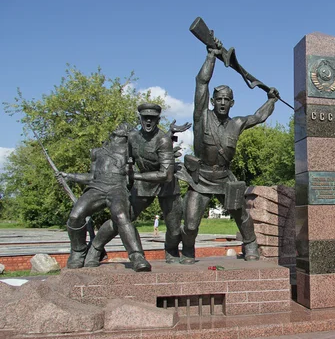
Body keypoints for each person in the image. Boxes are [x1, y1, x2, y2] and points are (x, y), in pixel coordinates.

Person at [176, 37, 279, 263]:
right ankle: (188, 250)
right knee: (191, 224)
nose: (222, 103)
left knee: (242, 216)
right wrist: (211, 56)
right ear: (212, 101)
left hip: (225, 178)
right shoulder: (201, 117)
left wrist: (271, 100)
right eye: (219, 99)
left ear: (232, 103)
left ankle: (251, 245)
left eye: (227, 100)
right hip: (200, 178)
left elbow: (259, 117)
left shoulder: (237, 123)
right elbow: (200, 83)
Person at [84, 104, 190, 266]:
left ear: (158, 120)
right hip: (142, 186)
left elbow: (166, 175)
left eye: (152, 118)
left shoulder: (163, 140)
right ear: (139, 119)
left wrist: (134, 175)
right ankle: (95, 248)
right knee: (121, 218)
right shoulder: (132, 137)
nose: (148, 121)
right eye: (145, 118)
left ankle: (171, 251)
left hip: (166, 186)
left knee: (174, 228)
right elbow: (120, 156)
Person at [58, 123, 151, 272]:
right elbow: (91, 177)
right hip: (97, 188)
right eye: (121, 125)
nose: (121, 126)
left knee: (121, 216)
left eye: (125, 126)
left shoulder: (131, 150)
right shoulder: (97, 152)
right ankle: (78, 251)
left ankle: (137, 256)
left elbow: (149, 154)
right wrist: (70, 176)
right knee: (75, 216)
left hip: (117, 189)